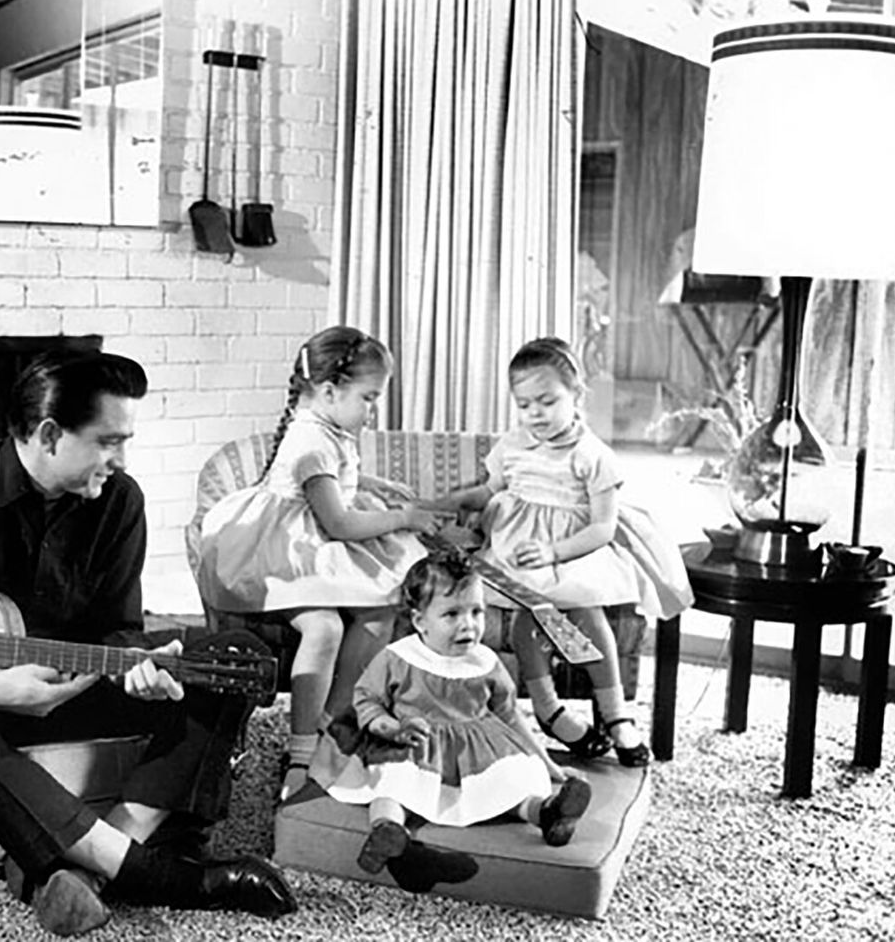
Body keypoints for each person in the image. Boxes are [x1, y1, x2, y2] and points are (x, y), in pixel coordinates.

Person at [0, 348, 296, 938]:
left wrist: (130, 666)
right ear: (48, 434)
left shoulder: (120, 501)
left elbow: (114, 631)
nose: (120, 460)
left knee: (227, 658)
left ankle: (92, 867)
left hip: (68, 687)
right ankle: (153, 874)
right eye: (107, 441)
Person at [196, 325, 438, 802]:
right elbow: (341, 523)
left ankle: (337, 714)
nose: (372, 410)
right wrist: (403, 516)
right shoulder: (310, 439)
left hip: (315, 538)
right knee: (324, 629)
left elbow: (338, 471)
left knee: (381, 609)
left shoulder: (328, 424)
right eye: (369, 398)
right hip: (284, 553)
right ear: (329, 391)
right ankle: (303, 746)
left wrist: (377, 484)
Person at [424, 337, 692, 765]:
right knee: (529, 616)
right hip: (516, 551)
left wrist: (554, 552)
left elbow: (603, 527)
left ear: (576, 395)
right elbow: (490, 490)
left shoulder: (593, 456)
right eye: (525, 404)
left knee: (586, 616)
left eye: (547, 402)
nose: (535, 414)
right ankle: (549, 709)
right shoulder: (513, 444)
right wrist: (453, 502)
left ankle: (616, 713)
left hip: (570, 551)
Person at [308, 550, 593, 893]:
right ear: (419, 621)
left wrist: (545, 763)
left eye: (476, 612)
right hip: (412, 743)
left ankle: (545, 814)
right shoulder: (399, 658)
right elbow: (367, 700)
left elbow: (509, 714)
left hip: (476, 747)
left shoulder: (485, 662)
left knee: (511, 778)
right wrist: (392, 729)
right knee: (394, 784)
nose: (468, 625)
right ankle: (387, 830)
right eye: (452, 614)